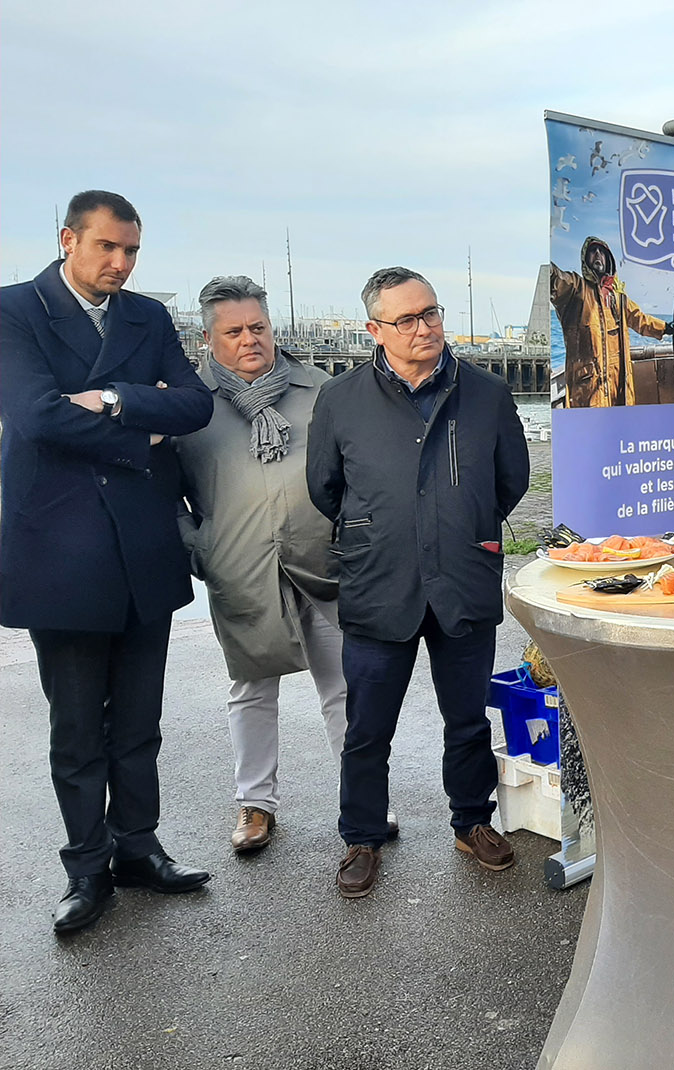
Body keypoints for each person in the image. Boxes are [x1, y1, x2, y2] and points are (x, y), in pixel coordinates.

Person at [0, 190, 216, 934]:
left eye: (131, 252)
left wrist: (117, 399)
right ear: (68, 239)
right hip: (58, 553)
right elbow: (33, 414)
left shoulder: (148, 318)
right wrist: (139, 434)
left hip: (141, 547)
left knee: (137, 720)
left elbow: (193, 406)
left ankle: (138, 849)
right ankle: (86, 869)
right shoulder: (14, 309)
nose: (120, 264)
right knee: (76, 730)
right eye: (107, 248)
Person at [307, 266, 529, 898]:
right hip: (379, 582)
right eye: (406, 319)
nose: (424, 327)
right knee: (368, 725)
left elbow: (509, 482)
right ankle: (362, 835)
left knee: (466, 718)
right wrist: (381, 529)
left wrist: (463, 524)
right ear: (375, 329)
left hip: (463, 576)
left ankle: (472, 821)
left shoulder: (486, 393)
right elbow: (326, 488)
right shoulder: (341, 399)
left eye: (431, 312)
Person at [173, 276, 397, 853]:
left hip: (323, 564)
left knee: (345, 688)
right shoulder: (188, 408)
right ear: (208, 337)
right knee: (251, 690)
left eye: (258, 328)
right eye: (234, 331)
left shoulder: (322, 391)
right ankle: (255, 805)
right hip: (240, 569)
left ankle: (363, 803)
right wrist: (200, 546)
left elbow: (361, 475)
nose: (249, 340)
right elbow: (163, 494)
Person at [550, 236, 674, 407]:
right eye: (593, 251)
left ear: (608, 259)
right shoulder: (575, 290)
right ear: (585, 259)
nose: (597, 255)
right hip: (589, 388)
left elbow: (640, 320)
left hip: (620, 384)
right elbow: (555, 278)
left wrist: (664, 328)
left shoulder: (619, 298)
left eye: (602, 252)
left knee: (621, 426)